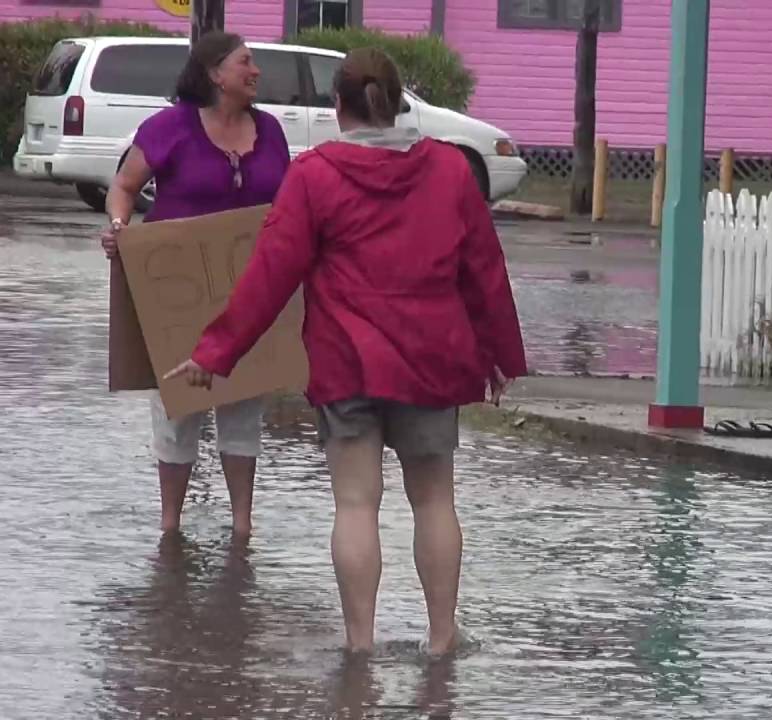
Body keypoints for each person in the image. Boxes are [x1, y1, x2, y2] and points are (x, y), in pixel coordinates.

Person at [165, 48, 527, 657]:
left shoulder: (314, 176)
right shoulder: (447, 171)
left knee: (356, 505)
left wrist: (214, 354)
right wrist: (499, 356)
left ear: (338, 106)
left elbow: (269, 276)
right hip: (433, 362)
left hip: (348, 365)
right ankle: (441, 639)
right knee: (435, 500)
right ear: (399, 102)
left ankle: (360, 644)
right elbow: (485, 273)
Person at [101, 31, 291, 537]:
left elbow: (290, 204)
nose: (255, 72)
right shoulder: (169, 127)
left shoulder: (270, 130)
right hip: (176, 294)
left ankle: (242, 526)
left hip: (249, 288)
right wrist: (120, 229)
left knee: (242, 404)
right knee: (177, 408)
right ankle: (170, 526)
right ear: (215, 73)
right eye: (246, 63)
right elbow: (123, 187)